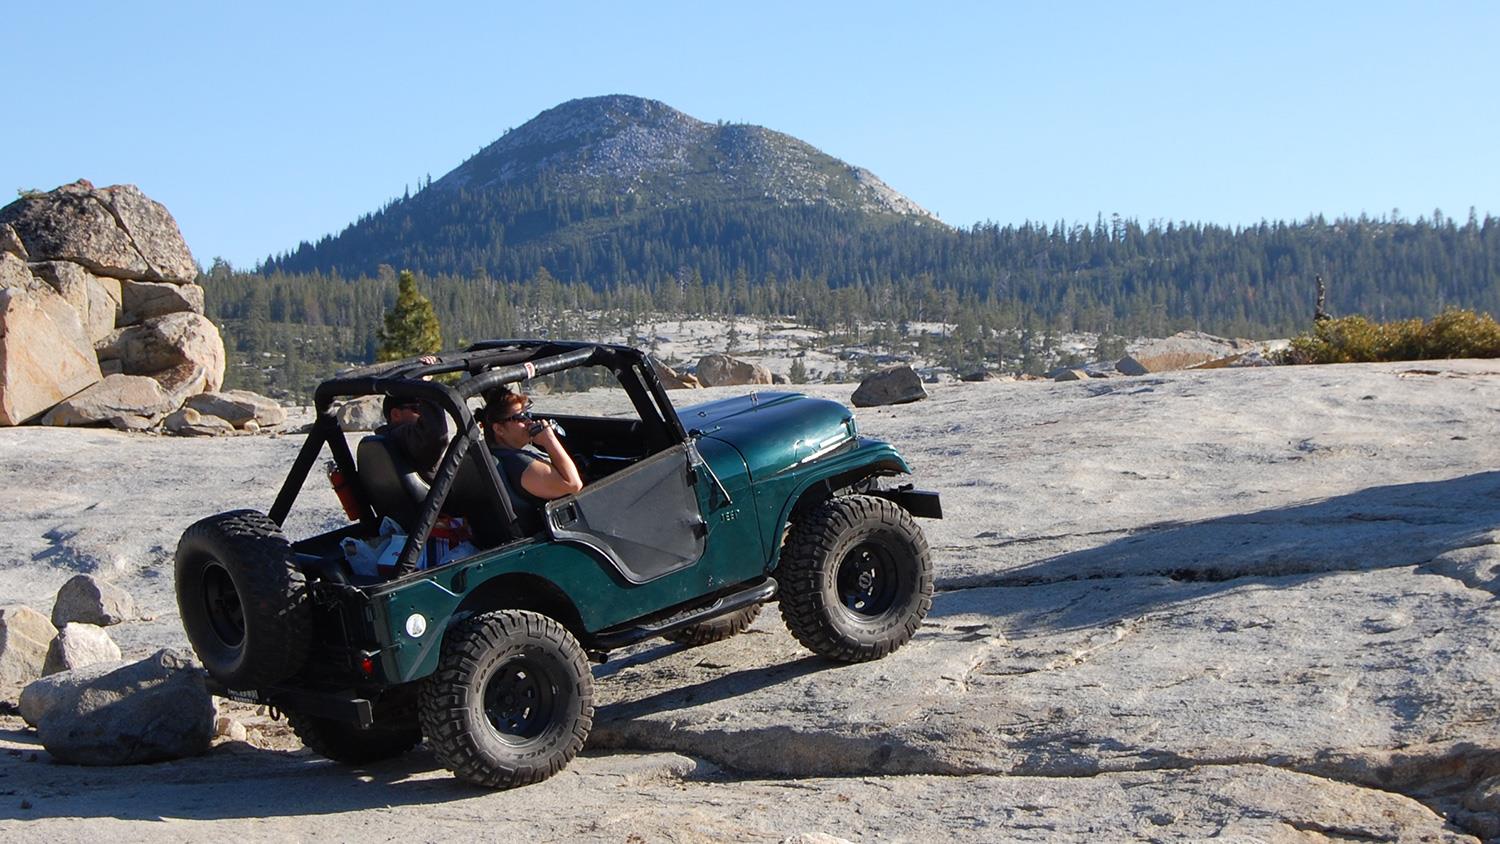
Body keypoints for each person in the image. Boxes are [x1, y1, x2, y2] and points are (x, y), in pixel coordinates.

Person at [483, 391, 584, 512]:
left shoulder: (513, 450)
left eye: (527, 414)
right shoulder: (520, 464)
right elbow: (573, 485)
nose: (529, 421)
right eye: (520, 417)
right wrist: (549, 440)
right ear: (499, 429)